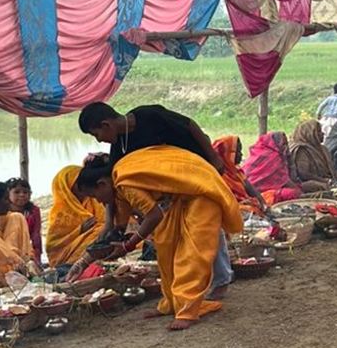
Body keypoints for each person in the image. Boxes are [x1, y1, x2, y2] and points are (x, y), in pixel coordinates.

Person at [74, 148, 243, 331]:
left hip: (202, 191)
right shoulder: (118, 188)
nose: (99, 202)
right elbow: (119, 227)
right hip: (181, 197)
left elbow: (154, 216)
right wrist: (93, 256)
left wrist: (129, 245)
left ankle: (187, 311)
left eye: (94, 196)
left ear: (102, 184)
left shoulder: (123, 183)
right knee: (165, 248)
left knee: (192, 253)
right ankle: (172, 302)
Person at [77, 102, 233, 299]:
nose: (99, 141)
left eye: (96, 134)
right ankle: (184, 290)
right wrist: (111, 225)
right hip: (172, 191)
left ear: (106, 124)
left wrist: (213, 158)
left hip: (196, 176)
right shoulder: (118, 148)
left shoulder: (148, 116)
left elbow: (190, 125)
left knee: (205, 228)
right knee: (170, 238)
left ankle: (220, 281)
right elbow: (115, 191)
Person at [45, 165, 106, 271]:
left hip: (97, 242)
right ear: (67, 187)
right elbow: (52, 245)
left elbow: (106, 221)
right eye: (78, 184)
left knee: (104, 231)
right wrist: (79, 231)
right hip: (68, 254)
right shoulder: (60, 214)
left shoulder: (93, 200)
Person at [214, 134, 279, 212]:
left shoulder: (237, 172)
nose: (241, 154)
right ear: (228, 154)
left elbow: (251, 190)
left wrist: (263, 204)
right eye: (237, 152)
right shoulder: (218, 175)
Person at [290, 120, 337, 191]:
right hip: (311, 184)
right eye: (319, 132)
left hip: (328, 181)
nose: (322, 134)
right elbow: (304, 174)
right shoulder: (302, 149)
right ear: (309, 133)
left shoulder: (323, 149)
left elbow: (332, 170)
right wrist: (325, 181)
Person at [5, 177, 42, 265]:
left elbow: (36, 235)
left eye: (25, 192)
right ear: (7, 194)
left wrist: (37, 258)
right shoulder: (4, 211)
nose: (21, 195)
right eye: (17, 192)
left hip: (26, 248)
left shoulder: (33, 211)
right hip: (7, 248)